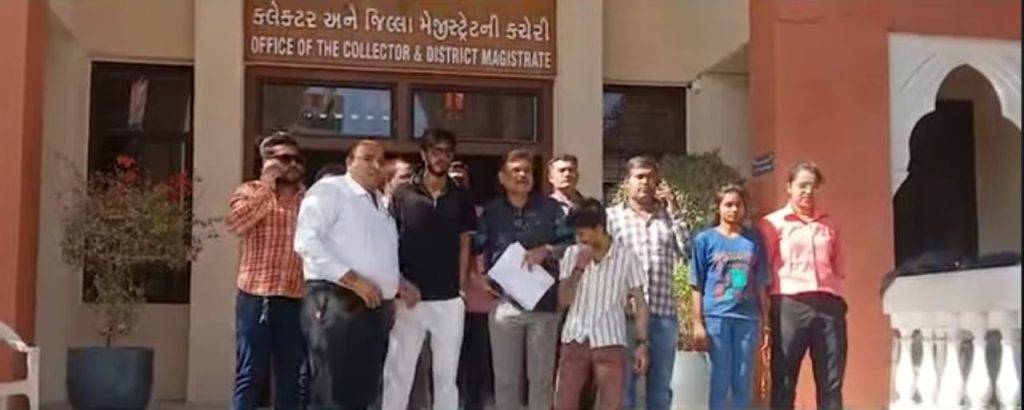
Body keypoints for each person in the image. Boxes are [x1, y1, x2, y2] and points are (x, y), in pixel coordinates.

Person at [294, 139, 422, 408]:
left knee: (364, 391)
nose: (375, 165)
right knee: (333, 390)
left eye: (381, 160)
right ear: (349, 162)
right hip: (337, 299)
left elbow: (375, 252)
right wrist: (353, 281)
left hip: (375, 307)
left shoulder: (380, 203)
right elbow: (307, 242)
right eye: (367, 158)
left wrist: (398, 283)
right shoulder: (331, 191)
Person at [382, 129, 477, 410]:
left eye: (447, 153)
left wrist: (461, 287)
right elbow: (388, 241)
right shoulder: (402, 194)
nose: (442, 158)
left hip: (448, 298)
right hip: (409, 296)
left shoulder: (461, 196)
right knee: (399, 373)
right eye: (436, 151)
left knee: (446, 377)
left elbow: (465, 242)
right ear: (424, 154)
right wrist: (398, 284)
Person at [473, 148, 573, 410]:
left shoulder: (551, 209)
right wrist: (478, 276)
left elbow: (572, 241)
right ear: (502, 177)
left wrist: (547, 250)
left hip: (544, 305)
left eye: (527, 171)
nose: (522, 175)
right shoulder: (492, 212)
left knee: (540, 381)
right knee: (506, 381)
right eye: (515, 170)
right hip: (504, 305)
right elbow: (476, 246)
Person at [227, 132, 307, 409]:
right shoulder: (250, 191)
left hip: (295, 298)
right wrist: (266, 185)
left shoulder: (309, 199)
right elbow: (237, 224)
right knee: (251, 372)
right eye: (285, 158)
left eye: (297, 159)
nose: (293, 164)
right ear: (267, 161)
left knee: (291, 376)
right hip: (256, 296)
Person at [758, 161, 846, 409]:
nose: (808, 191)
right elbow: (763, 271)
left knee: (831, 378)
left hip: (828, 304)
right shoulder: (772, 224)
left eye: (812, 186)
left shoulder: (829, 223)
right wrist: (765, 315)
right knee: (785, 377)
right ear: (789, 187)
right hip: (790, 304)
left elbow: (838, 264)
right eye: (802, 185)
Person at [606, 156, 690, 410]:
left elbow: (687, 251)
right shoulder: (611, 218)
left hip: (663, 314)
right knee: (625, 388)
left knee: (660, 388)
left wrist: (674, 212)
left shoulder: (668, 218)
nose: (644, 182)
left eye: (650, 177)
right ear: (628, 181)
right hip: (625, 315)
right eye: (639, 177)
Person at [554, 198, 650, 410]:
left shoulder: (627, 258)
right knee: (565, 402)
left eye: (582, 233)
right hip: (574, 337)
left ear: (599, 229)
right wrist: (578, 269)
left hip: (610, 338)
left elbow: (640, 303)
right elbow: (564, 300)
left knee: (611, 403)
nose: (579, 239)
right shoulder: (572, 254)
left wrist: (641, 343)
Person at [690, 184, 771, 409]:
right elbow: (696, 283)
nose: (733, 210)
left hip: (747, 318)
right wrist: (697, 322)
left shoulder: (754, 240)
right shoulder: (704, 240)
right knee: (720, 378)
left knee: (743, 378)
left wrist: (766, 323)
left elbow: (761, 283)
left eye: (738, 205)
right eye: (728, 205)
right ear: (718, 207)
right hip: (717, 317)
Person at [450, 160, 496, 410]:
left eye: (462, 180)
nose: (458, 184)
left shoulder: (482, 214)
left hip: (480, 302)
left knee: (480, 366)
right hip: (445, 301)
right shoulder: (435, 212)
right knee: (449, 367)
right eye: (453, 179)